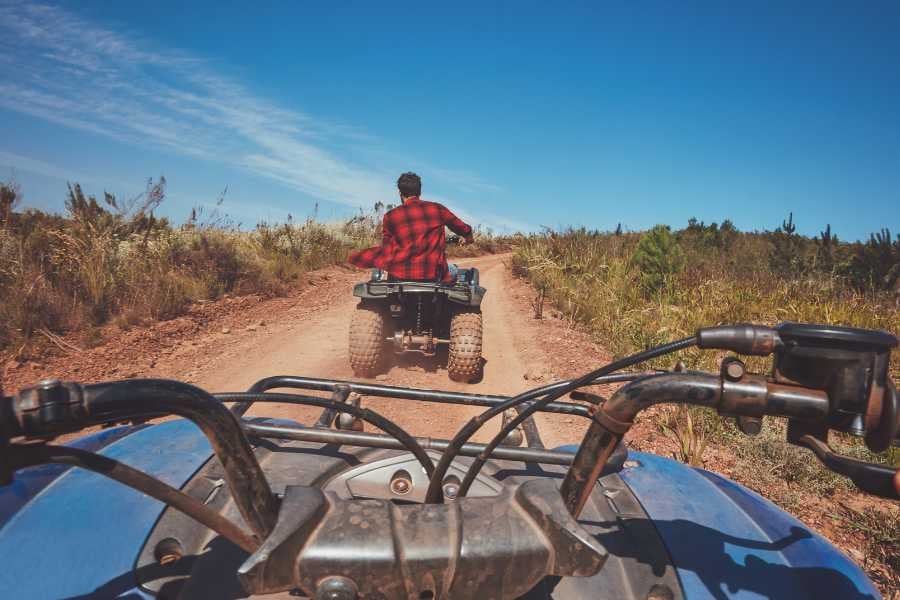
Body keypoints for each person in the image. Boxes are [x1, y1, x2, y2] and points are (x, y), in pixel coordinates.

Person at [349, 172, 474, 283]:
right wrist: (468, 238)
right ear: (419, 192)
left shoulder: (390, 216)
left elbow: (387, 246)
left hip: (400, 273)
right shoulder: (437, 209)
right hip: (434, 273)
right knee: (454, 269)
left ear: (400, 192)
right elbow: (463, 228)